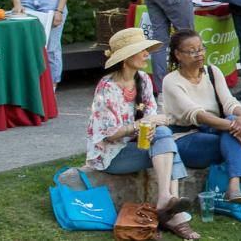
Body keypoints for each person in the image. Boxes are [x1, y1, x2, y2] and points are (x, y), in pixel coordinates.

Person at [160, 32, 241, 232]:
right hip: (186, 138)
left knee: (234, 124)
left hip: (216, 132)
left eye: (201, 48)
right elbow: (197, 115)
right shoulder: (171, 81)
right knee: (240, 141)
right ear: (178, 55)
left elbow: (230, 102)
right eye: (192, 51)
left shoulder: (213, 72)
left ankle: (235, 185)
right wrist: (235, 127)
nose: (199, 54)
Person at [85, 28, 198, 240]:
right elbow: (111, 136)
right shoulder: (107, 87)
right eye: (142, 51)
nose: (147, 54)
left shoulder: (143, 79)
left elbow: (151, 117)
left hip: (139, 145)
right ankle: (174, 214)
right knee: (169, 145)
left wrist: (152, 124)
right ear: (126, 58)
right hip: (112, 155)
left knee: (163, 134)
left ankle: (166, 200)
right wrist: (144, 123)